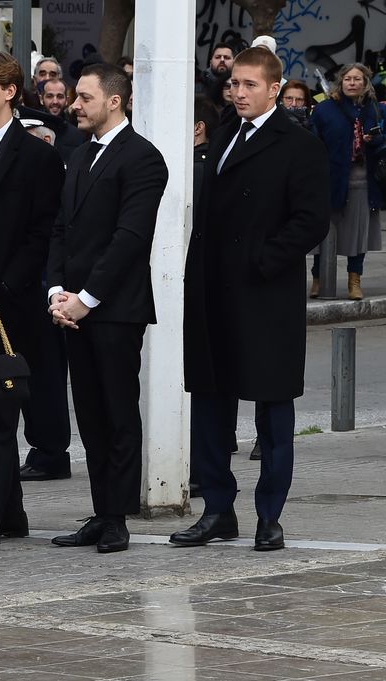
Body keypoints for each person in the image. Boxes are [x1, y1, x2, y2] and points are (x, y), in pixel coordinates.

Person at [173, 47, 330, 552]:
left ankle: (270, 516)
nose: (238, 92)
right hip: (213, 296)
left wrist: (261, 262)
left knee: (272, 410)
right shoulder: (220, 137)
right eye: (233, 84)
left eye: (248, 85)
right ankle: (218, 509)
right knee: (210, 407)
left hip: (265, 299)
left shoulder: (298, 144)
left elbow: (310, 221)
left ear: (273, 90)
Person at [47, 62, 168, 553]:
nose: (75, 105)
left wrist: (87, 299)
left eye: (84, 97)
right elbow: (60, 229)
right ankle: (100, 511)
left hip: (115, 309)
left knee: (118, 411)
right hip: (71, 307)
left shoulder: (143, 159)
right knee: (90, 412)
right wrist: (55, 291)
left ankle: (117, 516)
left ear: (114, 101)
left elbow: (130, 239)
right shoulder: (78, 155)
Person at [0, 51, 68, 546]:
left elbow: (42, 231)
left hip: (12, 302)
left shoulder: (38, 155)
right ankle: (8, 512)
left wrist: (1, 284)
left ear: (10, 92)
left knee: (0, 405)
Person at [310, 63, 385, 300]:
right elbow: (315, 142)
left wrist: (375, 140)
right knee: (324, 232)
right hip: (331, 178)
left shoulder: (374, 109)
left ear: (365, 83)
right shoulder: (325, 109)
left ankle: (355, 279)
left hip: (363, 179)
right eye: (348, 79)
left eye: (357, 79)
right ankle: (318, 278)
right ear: (340, 82)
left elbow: (384, 140)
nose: (352, 83)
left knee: (358, 233)